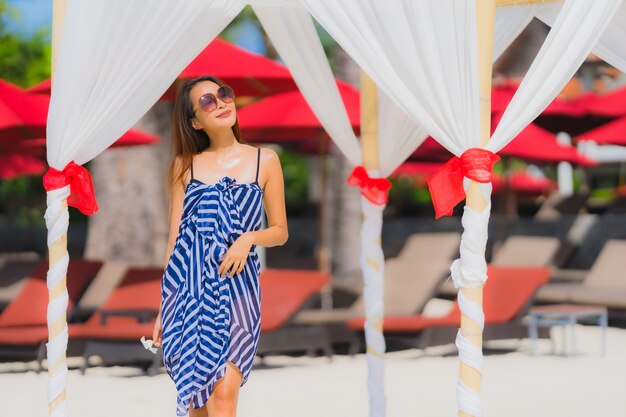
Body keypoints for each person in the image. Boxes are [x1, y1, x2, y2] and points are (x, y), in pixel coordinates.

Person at [152, 75, 288, 417]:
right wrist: (162, 308)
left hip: (240, 292)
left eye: (223, 94)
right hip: (189, 293)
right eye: (208, 101)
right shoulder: (184, 167)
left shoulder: (265, 160)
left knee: (224, 391)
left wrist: (247, 239)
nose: (222, 103)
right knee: (199, 404)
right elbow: (175, 242)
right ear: (196, 121)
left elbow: (280, 231)